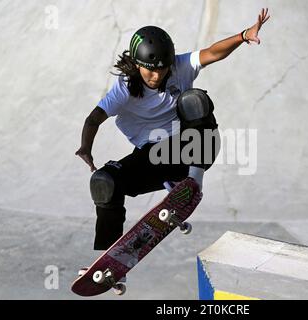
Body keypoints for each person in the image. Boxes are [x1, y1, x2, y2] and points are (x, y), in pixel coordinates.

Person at [76, 8, 270, 251]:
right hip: (155, 159)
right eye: (150, 69)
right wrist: (86, 146)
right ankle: (110, 256)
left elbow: (212, 52)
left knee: (194, 99)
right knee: (105, 181)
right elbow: (94, 118)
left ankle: (192, 184)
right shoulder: (124, 88)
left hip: (197, 146)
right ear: (137, 65)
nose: (157, 75)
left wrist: (243, 35)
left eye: (162, 68)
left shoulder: (180, 66)